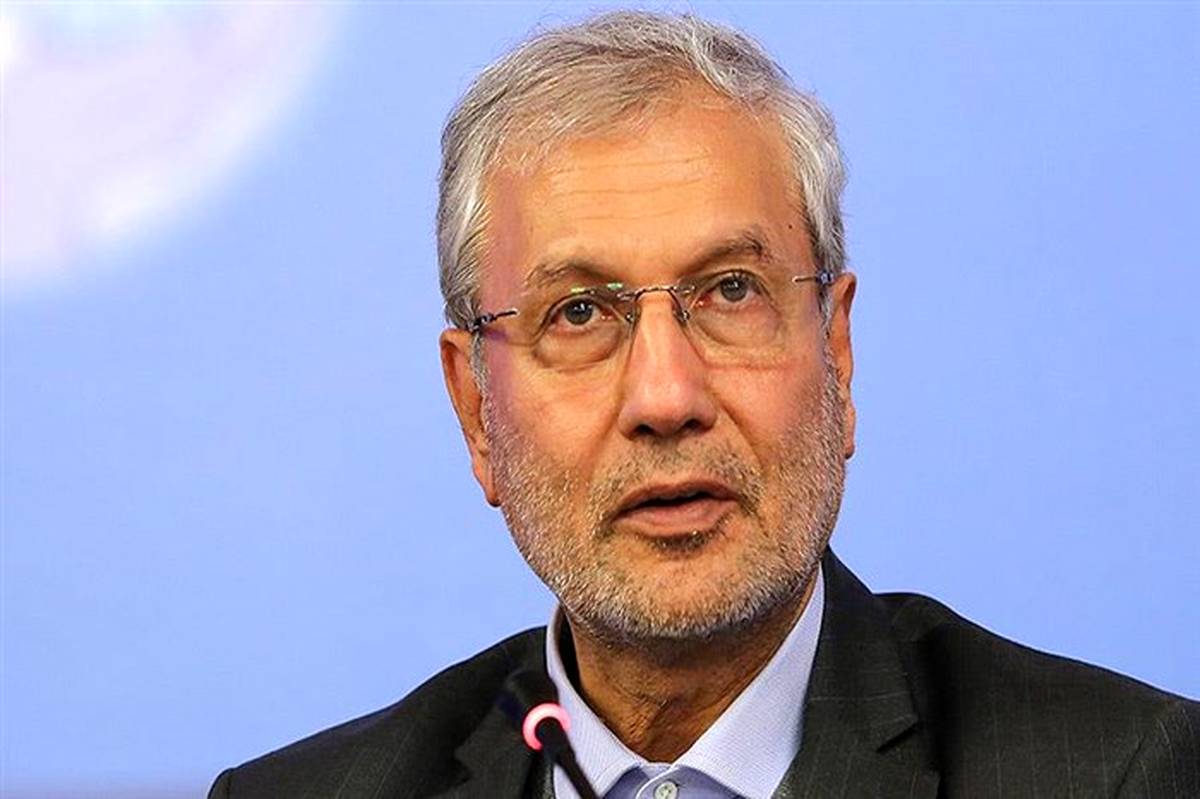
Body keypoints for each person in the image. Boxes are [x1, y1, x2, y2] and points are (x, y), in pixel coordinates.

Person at [209, 11, 1198, 798]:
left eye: (730, 291)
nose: (666, 396)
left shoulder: (1121, 772)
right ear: (475, 409)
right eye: (580, 312)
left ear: (837, 352)